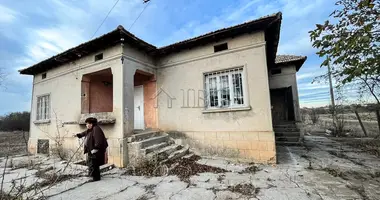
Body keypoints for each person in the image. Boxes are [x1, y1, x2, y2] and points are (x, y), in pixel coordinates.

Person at [73, 117, 108, 181]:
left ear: (91, 124)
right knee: (91, 163)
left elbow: (99, 140)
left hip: (95, 150)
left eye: (87, 124)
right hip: (91, 150)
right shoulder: (90, 129)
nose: (86, 125)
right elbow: (84, 133)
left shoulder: (96, 129)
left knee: (95, 165)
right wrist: (78, 135)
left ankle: (96, 178)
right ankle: (91, 175)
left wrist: (96, 148)